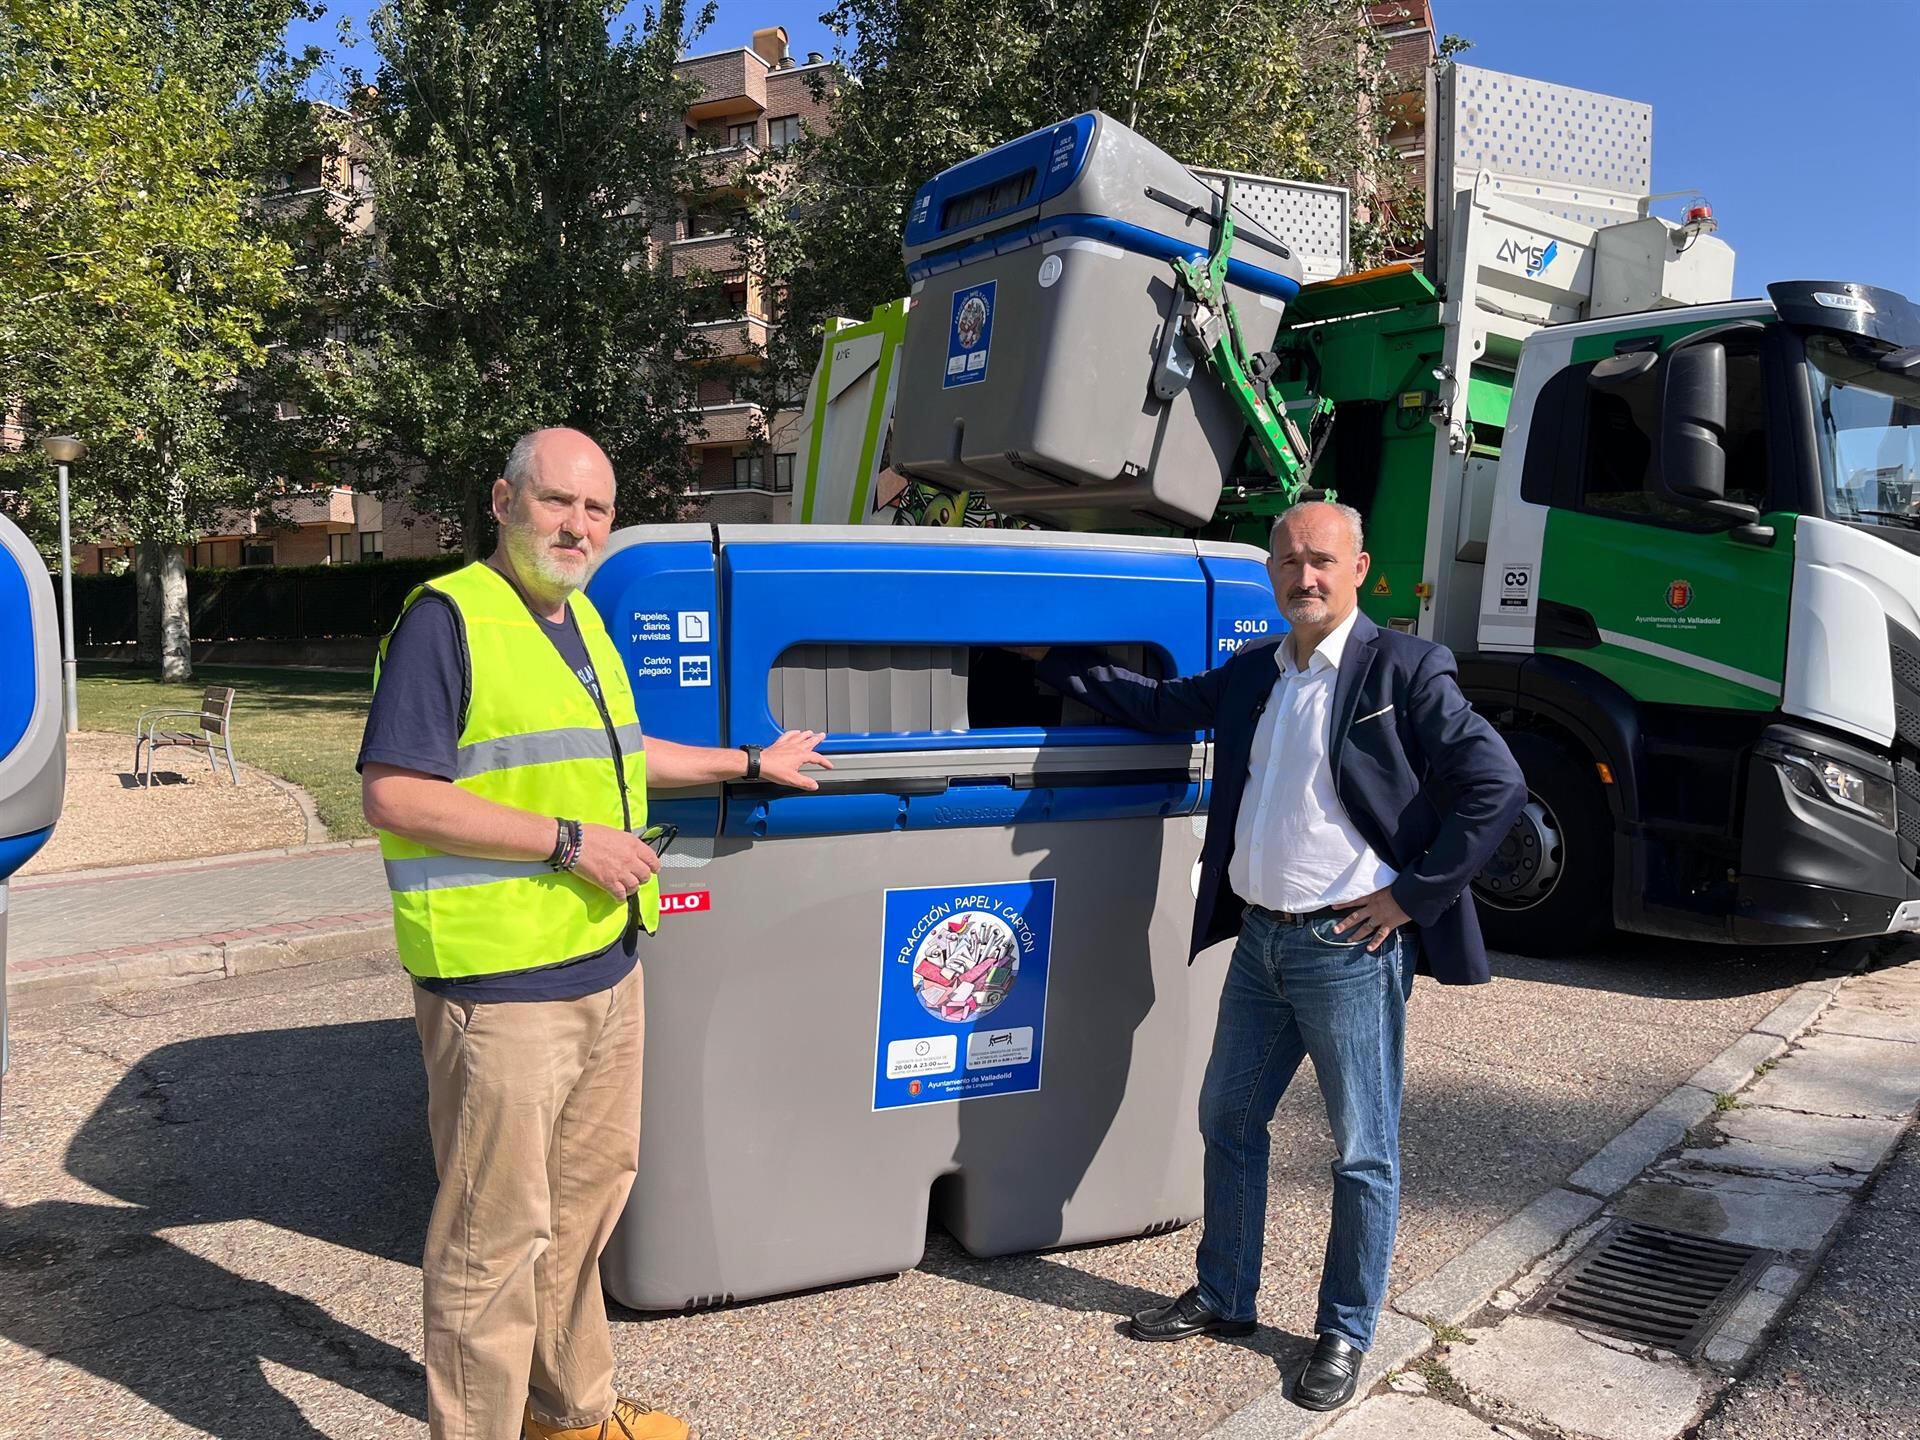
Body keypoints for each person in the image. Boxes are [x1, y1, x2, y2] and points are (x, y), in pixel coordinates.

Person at [359, 428, 829, 1440]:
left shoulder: (573, 624)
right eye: (558, 502)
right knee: (493, 1245)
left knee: (579, 1220)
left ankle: (572, 1417)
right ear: (504, 500)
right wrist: (571, 844)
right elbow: (394, 794)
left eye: (596, 510)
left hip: (604, 969)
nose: (578, 525)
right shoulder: (449, 619)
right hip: (500, 986)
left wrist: (749, 762)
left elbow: (621, 754)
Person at [1017, 501, 1524, 1412]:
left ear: (1360, 568)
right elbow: (1160, 705)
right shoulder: (1256, 673)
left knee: (1362, 1152)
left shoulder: (1405, 669)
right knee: (1228, 1118)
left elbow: (1496, 784)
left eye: (1323, 560)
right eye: (1289, 562)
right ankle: (1225, 1296)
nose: (1306, 577)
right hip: (1262, 941)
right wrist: (1046, 659)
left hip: (1350, 946)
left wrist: (1410, 896)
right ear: (1270, 575)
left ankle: (1344, 1330)